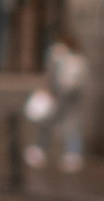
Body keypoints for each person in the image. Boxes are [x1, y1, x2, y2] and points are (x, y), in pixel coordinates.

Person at [24, 28, 89, 175]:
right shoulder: (77, 57)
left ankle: (44, 152)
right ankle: (71, 155)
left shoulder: (58, 54)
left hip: (60, 95)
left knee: (53, 123)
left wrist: (49, 90)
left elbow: (51, 75)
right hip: (69, 96)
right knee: (70, 125)